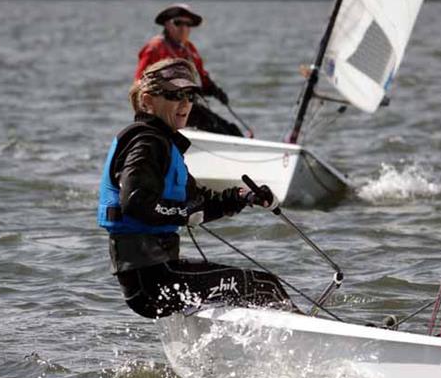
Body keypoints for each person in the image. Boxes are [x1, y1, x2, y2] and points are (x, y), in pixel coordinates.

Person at [99, 58, 295, 318]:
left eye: (190, 95)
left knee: (254, 287)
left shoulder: (163, 143)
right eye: (174, 95)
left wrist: (244, 197)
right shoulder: (146, 144)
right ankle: (318, 340)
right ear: (147, 101)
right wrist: (182, 213)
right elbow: (135, 202)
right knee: (265, 286)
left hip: (156, 276)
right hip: (152, 280)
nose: (185, 104)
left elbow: (200, 203)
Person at [135, 3, 244, 137]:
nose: (184, 28)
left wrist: (215, 90)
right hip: (167, 108)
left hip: (189, 105)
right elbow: (139, 84)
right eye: (178, 23)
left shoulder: (189, 49)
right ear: (167, 25)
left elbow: (202, 77)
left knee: (232, 130)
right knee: (220, 130)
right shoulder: (155, 48)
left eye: (188, 25)